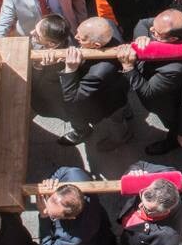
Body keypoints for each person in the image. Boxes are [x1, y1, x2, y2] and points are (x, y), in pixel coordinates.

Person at [117, 9, 182, 155]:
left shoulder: (176, 69)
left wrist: (128, 67)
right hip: (159, 80)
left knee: (173, 123)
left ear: (172, 39)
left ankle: (173, 141)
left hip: (167, 101)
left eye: (156, 33)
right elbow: (143, 23)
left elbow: (147, 91)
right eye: (153, 27)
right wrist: (141, 37)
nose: (151, 30)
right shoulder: (171, 24)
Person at [36, 167, 114, 245]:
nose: (46, 211)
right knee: (105, 236)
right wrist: (51, 182)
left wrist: (44, 217)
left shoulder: (73, 237)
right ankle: (111, 242)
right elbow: (60, 172)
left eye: (53, 216)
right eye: (49, 198)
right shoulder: (75, 174)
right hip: (99, 219)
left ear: (72, 217)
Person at [55, 17, 130, 147]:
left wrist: (70, 69)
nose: (76, 37)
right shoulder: (108, 25)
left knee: (116, 119)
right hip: (119, 83)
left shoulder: (98, 73)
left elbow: (73, 98)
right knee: (123, 110)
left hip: (111, 99)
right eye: (77, 32)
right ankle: (128, 112)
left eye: (83, 38)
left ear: (96, 46)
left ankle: (121, 138)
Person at [118, 162, 182, 245]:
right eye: (142, 194)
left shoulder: (167, 238)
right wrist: (134, 171)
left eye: (147, 209)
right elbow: (140, 165)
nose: (140, 206)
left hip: (136, 242)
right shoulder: (169, 174)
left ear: (165, 212)